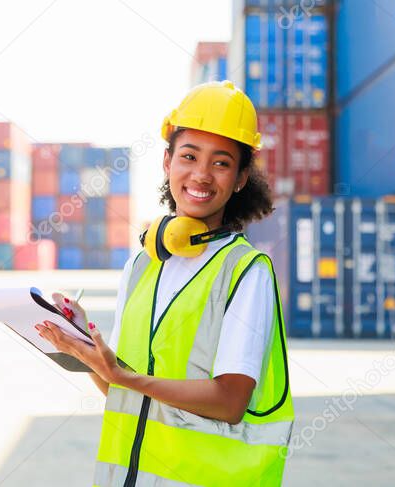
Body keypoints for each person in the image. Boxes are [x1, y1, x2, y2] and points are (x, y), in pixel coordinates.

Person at [35, 80, 293, 486]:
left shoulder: (246, 271)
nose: (201, 175)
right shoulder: (142, 265)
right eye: (189, 156)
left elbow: (230, 401)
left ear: (242, 178)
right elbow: (126, 392)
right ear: (167, 162)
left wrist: (124, 378)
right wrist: (81, 343)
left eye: (221, 163)